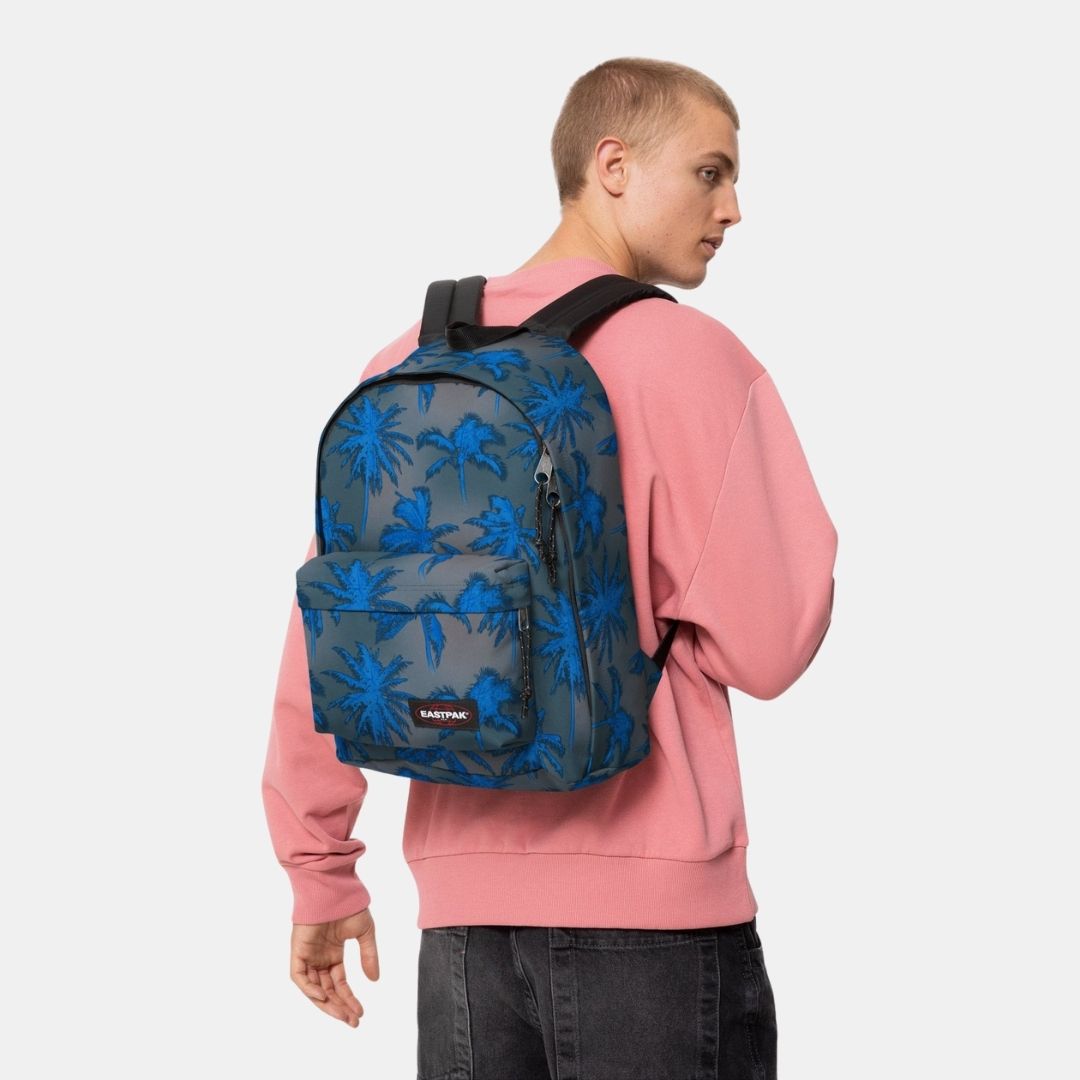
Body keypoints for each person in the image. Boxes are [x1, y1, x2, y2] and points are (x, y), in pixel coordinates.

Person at [262, 56, 837, 1079]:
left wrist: (322, 875)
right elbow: (773, 645)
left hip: (461, 937)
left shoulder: (405, 363)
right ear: (612, 165)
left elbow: (331, 635)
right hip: (656, 935)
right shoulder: (689, 358)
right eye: (709, 172)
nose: (733, 208)